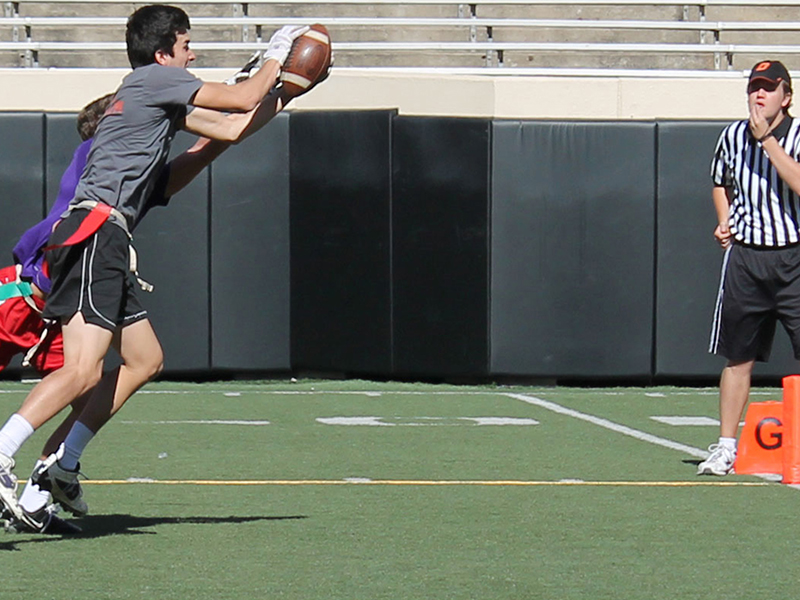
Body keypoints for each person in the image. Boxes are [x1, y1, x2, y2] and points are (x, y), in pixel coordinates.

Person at [0, 4, 308, 529]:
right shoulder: (150, 82)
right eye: (187, 46)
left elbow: (228, 131)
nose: (194, 56)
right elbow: (239, 99)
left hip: (100, 238)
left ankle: (59, 469)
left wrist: (283, 92)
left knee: (144, 359)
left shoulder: (150, 102)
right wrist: (276, 55)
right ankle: (4, 451)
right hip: (97, 233)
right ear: (164, 53)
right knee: (83, 370)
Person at [699, 60, 800, 476]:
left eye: (768, 88)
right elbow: (720, 181)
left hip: (794, 256)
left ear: (786, 97)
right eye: (754, 88)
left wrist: (769, 144)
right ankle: (725, 447)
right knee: (738, 357)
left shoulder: (794, 135)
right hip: (746, 258)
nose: (759, 95)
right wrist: (724, 219)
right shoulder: (733, 136)